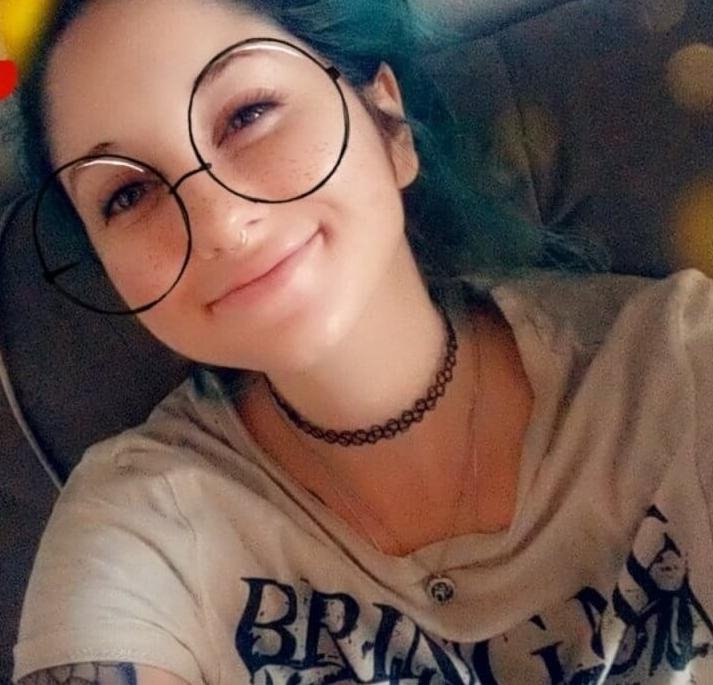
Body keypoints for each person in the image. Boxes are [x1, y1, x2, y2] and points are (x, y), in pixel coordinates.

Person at [10, 0, 713, 683]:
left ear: (389, 123)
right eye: (127, 194)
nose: (221, 223)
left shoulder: (679, 371)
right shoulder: (138, 527)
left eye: (248, 115)